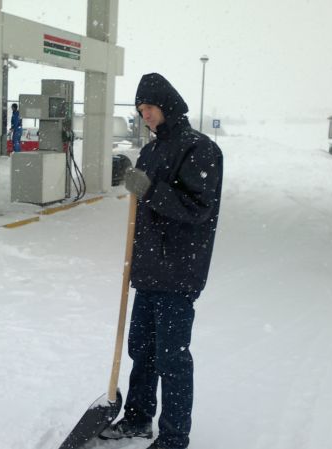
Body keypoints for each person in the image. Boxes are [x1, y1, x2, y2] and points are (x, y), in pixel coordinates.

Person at [100, 73, 223, 449]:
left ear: (167, 106)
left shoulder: (200, 149)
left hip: (179, 271)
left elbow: (197, 208)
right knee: (142, 351)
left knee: (172, 359)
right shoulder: (151, 152)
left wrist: (150, 189)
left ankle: (174, 437)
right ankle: (138, 418)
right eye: (141, 110)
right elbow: (146, 210)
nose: (145, 116)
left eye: (150, 107)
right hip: (149, 271)